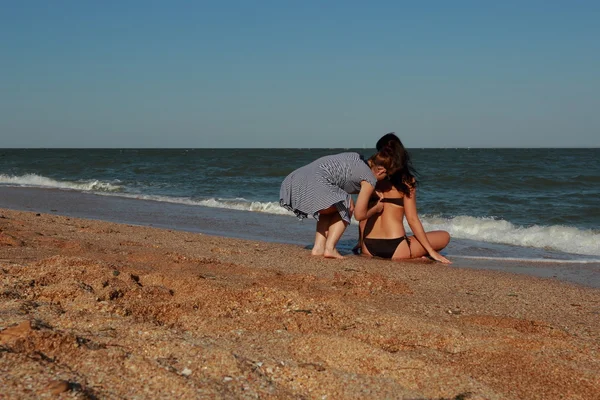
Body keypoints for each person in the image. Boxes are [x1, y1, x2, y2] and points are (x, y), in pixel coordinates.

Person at [280, 143, 401, 259]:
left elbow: (343, 175)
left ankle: (318, 248)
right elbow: (359, 215)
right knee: (348, 204)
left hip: (293, 181)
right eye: (387, 176)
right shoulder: (369, 178)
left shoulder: (355, 157)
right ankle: (330, 248)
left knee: (331, 204)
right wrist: (377, 208)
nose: (384, 180)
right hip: (315, 183)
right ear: (381, 171)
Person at [359, 133, 451, 264]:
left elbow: (363, 217)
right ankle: (415, 254)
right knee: (444, 236)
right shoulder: (407, 181)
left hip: (368, 246)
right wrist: (431, 251)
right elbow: (412, 220)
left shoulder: (371, 179)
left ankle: (413, 252)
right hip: (396, 248)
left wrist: (360, 243)